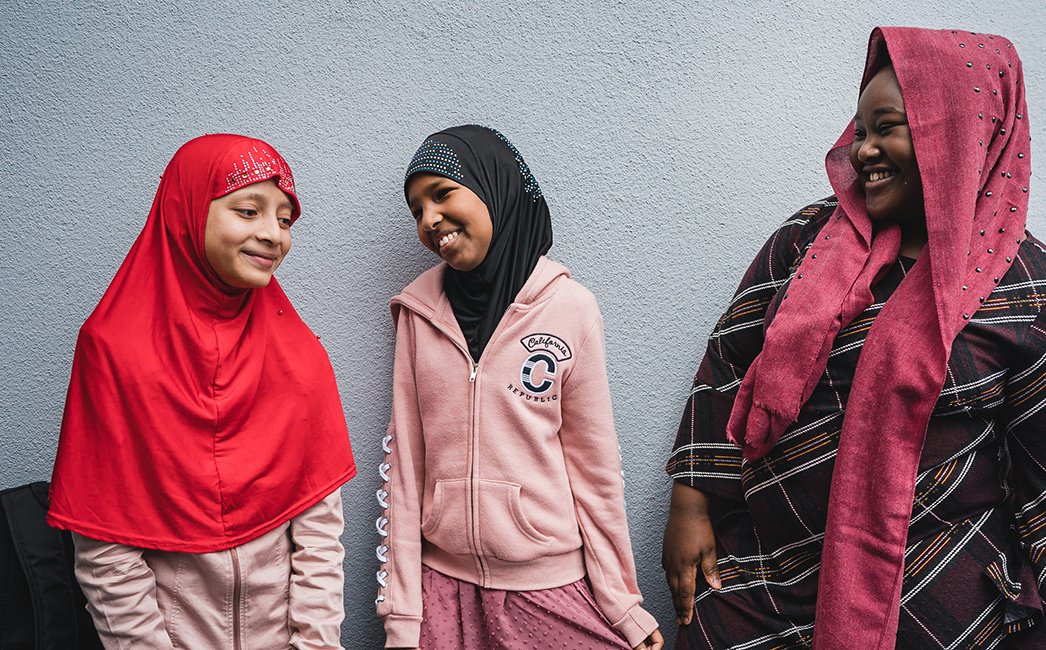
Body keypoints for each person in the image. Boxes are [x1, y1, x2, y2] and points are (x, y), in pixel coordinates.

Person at [662, 27, 1046, 650]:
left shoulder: (1043, 301)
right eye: (861, 129)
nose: (862, 150)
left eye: (888, 128)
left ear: (957, 134)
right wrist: (690, 502)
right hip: (760, 587)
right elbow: (730, 360)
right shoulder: (805, 242)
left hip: (930, 608)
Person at [47, 134, 357, 649]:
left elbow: (320, 531)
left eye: (285, 219)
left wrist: (315, 645)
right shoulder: (113, 351)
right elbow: (106, 554)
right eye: (248, 210)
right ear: (187, 212)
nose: (272, 234)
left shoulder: (297, 354)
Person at [376, 125, 663, 650]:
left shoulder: (571, 309)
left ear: (496, 188)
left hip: (548, 586)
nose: (429, 219)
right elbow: (405, 469)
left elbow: (595, 468)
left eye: (442, 194)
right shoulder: (419, 314)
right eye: (417, 210)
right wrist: (402, 616)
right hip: (442, 591)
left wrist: (622, 603)